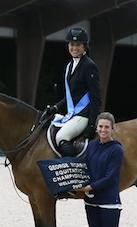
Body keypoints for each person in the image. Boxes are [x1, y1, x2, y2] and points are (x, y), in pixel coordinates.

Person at [75, 112, 124, 227]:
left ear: (112, 129)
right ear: (96, 128)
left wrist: (89, 187)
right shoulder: (92, 146)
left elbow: (110, 178)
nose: (103, 130)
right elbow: (83, 168)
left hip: (109, 204)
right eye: (100, 126)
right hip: (91, 204)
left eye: (107, 127)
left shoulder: (116, 150)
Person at [46, 27, 102, 156]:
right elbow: (70, 98)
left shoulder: (89, 65)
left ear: (84, 47)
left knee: (61, 137)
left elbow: (96, 96)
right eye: (72, 44)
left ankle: (75, 169)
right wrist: (55, 108)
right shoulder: (69, 66)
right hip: (72, 113)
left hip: (84, 115)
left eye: (78, 45)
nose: (74, 48)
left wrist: (92, 123)